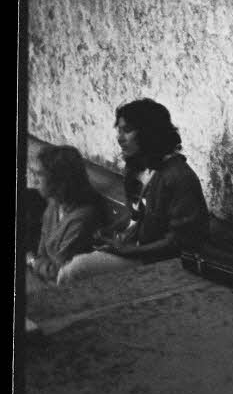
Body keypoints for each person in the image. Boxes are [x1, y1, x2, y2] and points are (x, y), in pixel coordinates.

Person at [56, 99, 210, 283]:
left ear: (148, 132)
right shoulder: (137, 168)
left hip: (162, 264)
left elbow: (181, 243)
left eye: (127, 130)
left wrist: (129, 250)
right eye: (118, 131)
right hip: (137, 251)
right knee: (71, 263)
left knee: (74, 270)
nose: (119, 138)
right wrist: (110, 231)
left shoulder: (179, 177)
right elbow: (138, 215)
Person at [23, 145, 110, 286]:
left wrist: (32, 261)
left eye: (40, 174)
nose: (35, 178)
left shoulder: (82, 219)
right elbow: (42, 252)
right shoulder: (54, 204)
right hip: (43, 276)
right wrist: (37, 262)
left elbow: (59, 271)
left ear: (60, 181)